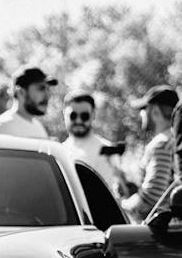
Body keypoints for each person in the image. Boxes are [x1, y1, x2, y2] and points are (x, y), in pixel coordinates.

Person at [121, 85, 179, 223]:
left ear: (155, 111)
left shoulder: (162, 143)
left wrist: (121, 205)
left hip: (162, 232)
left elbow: (152, 196)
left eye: (143, 109)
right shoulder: (174, 140)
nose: (141, 114)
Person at [62, 90, 122, 191]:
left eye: (84, 116)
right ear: (64, 114)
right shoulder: (60, 150)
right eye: (73, 115)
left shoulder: (107, 150)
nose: (78, 121)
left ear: (93, 115)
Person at [0, 66, 57, 139]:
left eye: (48, 89)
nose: (48, 95)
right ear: (21, 92)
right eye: (41, 88)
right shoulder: (4, 127)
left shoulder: (39, 127)